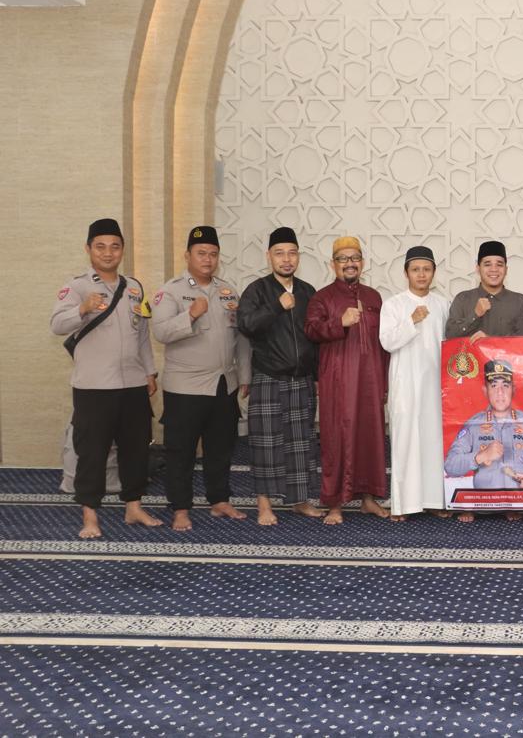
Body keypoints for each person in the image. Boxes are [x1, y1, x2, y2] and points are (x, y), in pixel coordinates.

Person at [50, 218, 163, 539]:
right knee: (92, 452)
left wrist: (149, 371)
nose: (108, 252)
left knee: (135, 449)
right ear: (88, 249)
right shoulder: (77, 287)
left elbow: (142, 335)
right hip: (94, 387)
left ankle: (134, 506)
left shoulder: (134, 288)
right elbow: (57, 324)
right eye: (100, 246)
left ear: (122, 250)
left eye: (114, 246)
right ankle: (90, 516)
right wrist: (81, 309)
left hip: (133, 385)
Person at [151, 226, 252, 531]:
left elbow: (241, 338)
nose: (208, 259)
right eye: (201, 253)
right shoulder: (171, 291)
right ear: (187, 256)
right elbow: (161, 332)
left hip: (224, 384)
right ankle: (180, 507)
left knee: (220, 448)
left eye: (213, 254)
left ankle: (219, 500)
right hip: (186, 387)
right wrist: (191, 315)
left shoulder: (228, 291)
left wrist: (245, 375)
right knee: (181, 452)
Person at [236, 226, 323, 526]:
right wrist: (276, 306)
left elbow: (315, 337)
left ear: (298, 256)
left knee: (301, 444)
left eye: (292, 253)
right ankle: (264, 505)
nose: (286, 259)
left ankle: (300, 501)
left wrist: (317, 374)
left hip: (302, 380)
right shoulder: (257, 290)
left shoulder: (308, 291)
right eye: (280, 253)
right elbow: (246, 324)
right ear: (269, 257)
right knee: (266, 445)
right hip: (269, 378)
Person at [304, 236, 390, 524]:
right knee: (337, 439)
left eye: (355, 258)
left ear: (362, 263)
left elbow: (384, 343)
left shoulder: (373, 297)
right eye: (343, 259)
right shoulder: (322, 297)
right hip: (338, 381)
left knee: (371, 438)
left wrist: (385, 383)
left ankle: (368, 499)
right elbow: (311, 330)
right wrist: (338, 322)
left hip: (371, 381)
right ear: (333, 264)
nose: (350, 263)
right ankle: (335, 504)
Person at [380, 245, 451, 521]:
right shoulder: (394, 304)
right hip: (405, 384)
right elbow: (387, 342)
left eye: (426, 269)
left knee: (434, 441)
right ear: (406, 273)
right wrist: (411, 320)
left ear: (434, 272)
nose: (421, 275)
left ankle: (434, 500)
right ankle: (404, 505)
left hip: (435, 385)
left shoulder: (442, 304)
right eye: (415, 270)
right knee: (405, 441)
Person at [444, 359, 523, 490]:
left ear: (513, 390)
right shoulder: (473, 425)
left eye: (505, 385)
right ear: (485, 390)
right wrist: (481, 456)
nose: (500, 392)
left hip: (521, 501)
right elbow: (450, 465)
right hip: (484, 502)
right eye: (494, 385)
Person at [445, 240, 523, 339]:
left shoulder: (520, 302)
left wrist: (490, 341)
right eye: (487, 264)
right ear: (478, 269)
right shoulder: (463, 299)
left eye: (499, 264)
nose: (494, 269)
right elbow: (450, 335)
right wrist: (475, 314)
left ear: (506, 270)